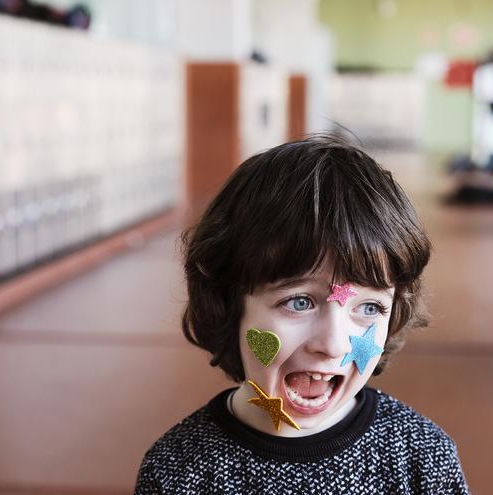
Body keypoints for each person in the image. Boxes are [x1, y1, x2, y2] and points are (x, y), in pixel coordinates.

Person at [135, 135, 469, 494]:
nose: (332, 344)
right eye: (299, 302)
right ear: (228, 304)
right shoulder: (179, 472)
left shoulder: (422, 459)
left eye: (369, 308)